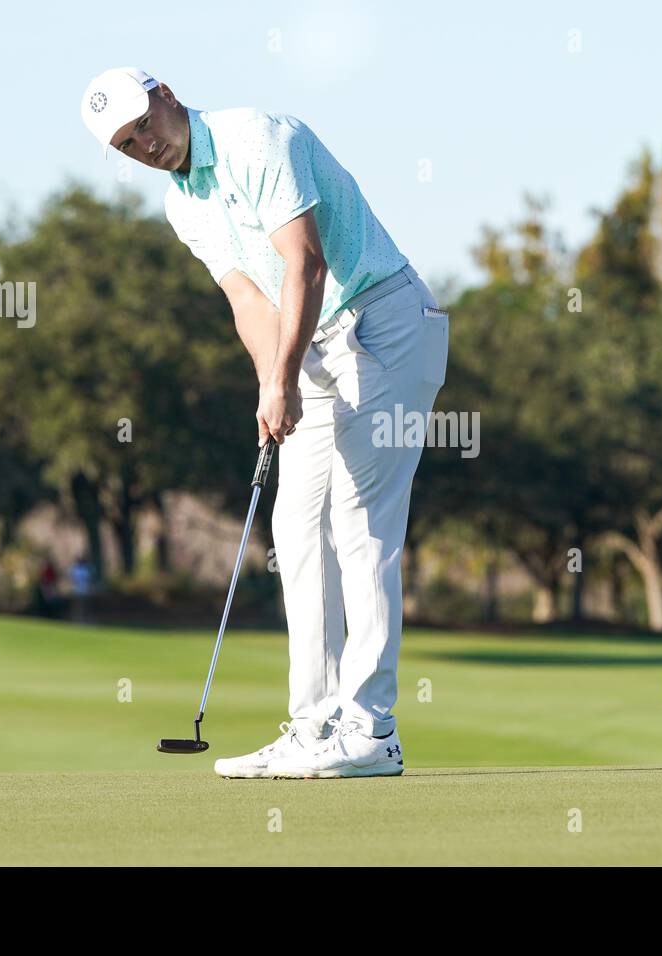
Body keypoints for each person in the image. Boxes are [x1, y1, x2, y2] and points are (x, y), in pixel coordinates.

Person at [80, 68, 449, 778]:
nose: (143, 146)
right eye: (126, 144)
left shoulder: (257, 139)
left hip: (385, 322)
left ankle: (371, 730)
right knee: (295, 526)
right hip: (309, 345)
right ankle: (313, 726)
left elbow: (304, 265)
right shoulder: (182, 205)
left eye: (142, 126)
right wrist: (269, 381)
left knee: (359, 519)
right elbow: (249, 301)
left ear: (166, 95)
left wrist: (282, 378)